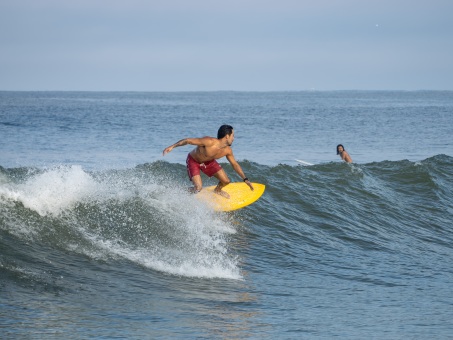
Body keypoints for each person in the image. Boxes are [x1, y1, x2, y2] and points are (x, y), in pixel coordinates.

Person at [162, 125, 254, 198]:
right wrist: (172, 147)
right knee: (198, 188)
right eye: (233, 135)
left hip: (208, 162)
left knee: (226, 181)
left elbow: (235, 164)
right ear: (227, 136)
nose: (233, 138)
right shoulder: (209, 142)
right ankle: (181, 192)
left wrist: (245, 179)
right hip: (194, 161)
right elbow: (188, 140)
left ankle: (218, 190)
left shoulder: (227, 150)